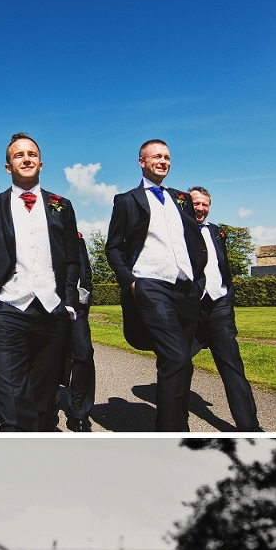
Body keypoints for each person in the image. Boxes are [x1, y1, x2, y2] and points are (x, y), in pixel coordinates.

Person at [0, 133, 80, 431]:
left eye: (31, 154)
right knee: (13, 397)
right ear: (8, 167)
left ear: (41, 164)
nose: (26, 158)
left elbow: (72, 259)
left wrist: (68, 303)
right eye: (19, 155)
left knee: (45, 397)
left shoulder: (62, 205)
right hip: (6, 308)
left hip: (51, 310)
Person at [106, 138, 206, 429]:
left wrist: (198, 279)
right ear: (142, 162)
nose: (163, 161)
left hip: (186, 287)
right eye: (156, 157)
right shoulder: (127, 200)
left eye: (167, 157)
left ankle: (177, 421)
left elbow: (193, 239)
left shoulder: (181, 198)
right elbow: (112, 247)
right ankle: (171, 432)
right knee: (174, 356)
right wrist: (132, 283)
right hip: (150, 284)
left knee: (183, 360)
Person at [188, 187, 260, 430]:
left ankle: (250, 428)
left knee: (232, 367)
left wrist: (227, 294)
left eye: (204, 204)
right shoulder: (175, 232)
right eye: (195, 203)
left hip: (219, 305)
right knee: (175, 367)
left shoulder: (217, 232)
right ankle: (174, 426)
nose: (200, 208)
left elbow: (221, 265)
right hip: (188, 310)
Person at [61, 230, 96, 431]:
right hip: (51, 305)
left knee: (84, 354)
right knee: (51, 358)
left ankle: (79, 412)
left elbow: (86, 269)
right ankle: (48, 412)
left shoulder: (77, 238)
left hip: (78, 307)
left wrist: (87, 291)